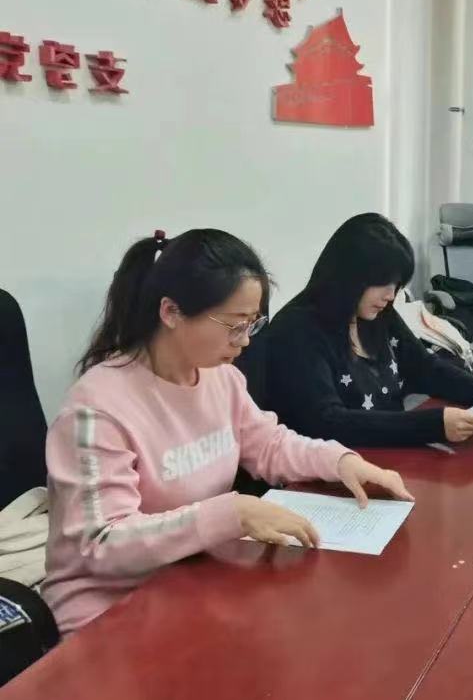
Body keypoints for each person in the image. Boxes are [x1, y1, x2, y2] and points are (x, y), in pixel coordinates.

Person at [42, 229, 412, 635]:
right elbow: (101, 543)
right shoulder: (97, 410)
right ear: (171, 312)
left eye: (252, 324)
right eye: (234, 325)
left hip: (195, 579)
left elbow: (269, 445)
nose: (245, 341)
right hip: (109, 611)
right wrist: (231, 514)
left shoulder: (220, 378)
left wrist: (341, 462)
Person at [262, 213, 473, 447]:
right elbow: (327, 422)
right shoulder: (297, 330)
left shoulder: (377, 313)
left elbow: (424, 367)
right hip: (339, 464)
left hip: (392, 454)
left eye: (396, 284)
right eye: (383, 282)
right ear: (349, 275)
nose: (391, 295)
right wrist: (432, 426)